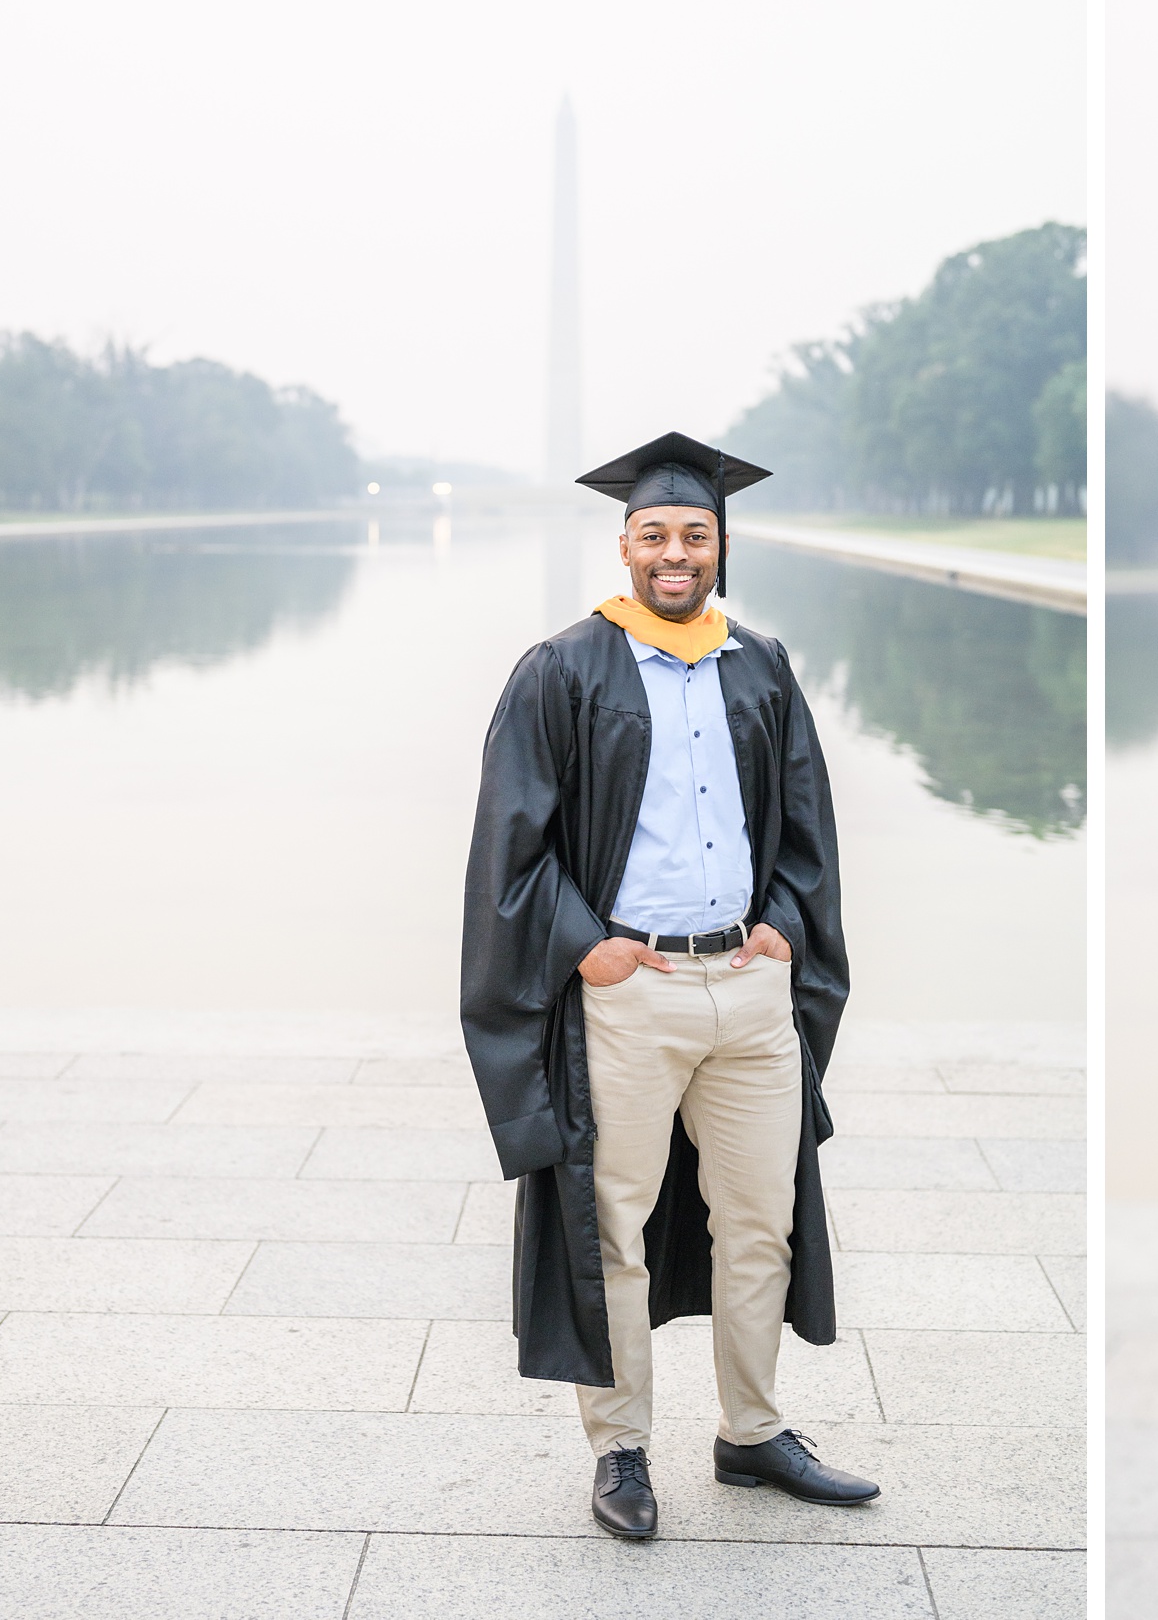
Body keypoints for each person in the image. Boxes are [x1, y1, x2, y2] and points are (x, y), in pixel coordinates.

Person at [460, 431, 878, 1541]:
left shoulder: (762, 663)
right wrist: (584, 944)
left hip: (746, 990)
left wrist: (786, 926)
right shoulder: (565, 668)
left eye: (695, 533)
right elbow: (513, 840)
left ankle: (751, 1429)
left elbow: (807, 825)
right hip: (629, 988)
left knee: (763, 1222)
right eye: (656, 534)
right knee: (616, 1227)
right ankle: (622, 1448)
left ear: (722, 543)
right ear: (626, 544)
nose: (676, 551)